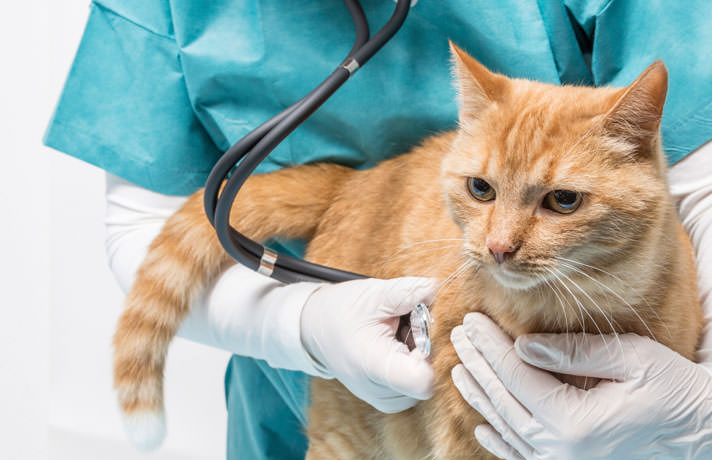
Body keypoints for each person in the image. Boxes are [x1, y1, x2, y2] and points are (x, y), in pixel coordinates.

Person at [45, 1, 712, 458]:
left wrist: (698, 411)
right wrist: (303, 326)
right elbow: (141, 227)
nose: (502, 240)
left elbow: (697, 173)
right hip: (301, 391)